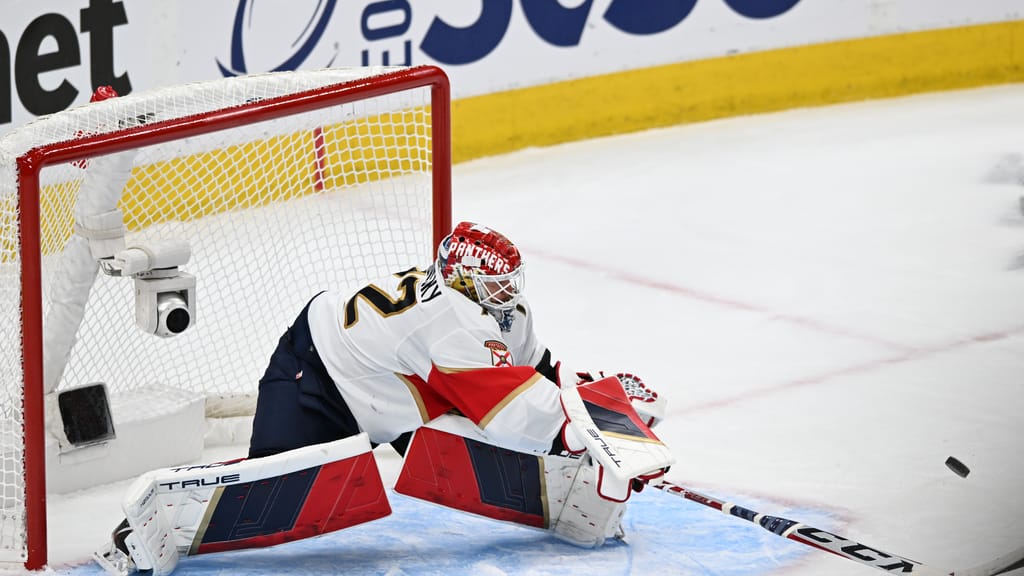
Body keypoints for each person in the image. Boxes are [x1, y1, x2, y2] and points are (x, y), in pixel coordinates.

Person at [95, 221, 672, 576]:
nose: (506, 297)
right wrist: (581, 434)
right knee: (276, 485)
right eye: (493, 287)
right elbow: (517, 413)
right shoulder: (452, 320)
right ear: (465, 283)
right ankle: (148, 526)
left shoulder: (500, 312)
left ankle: (568, 501)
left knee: (461, 450)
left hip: (394, 391)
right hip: (319, 377)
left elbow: (536, 371)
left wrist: (591, 398)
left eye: (508, 286)